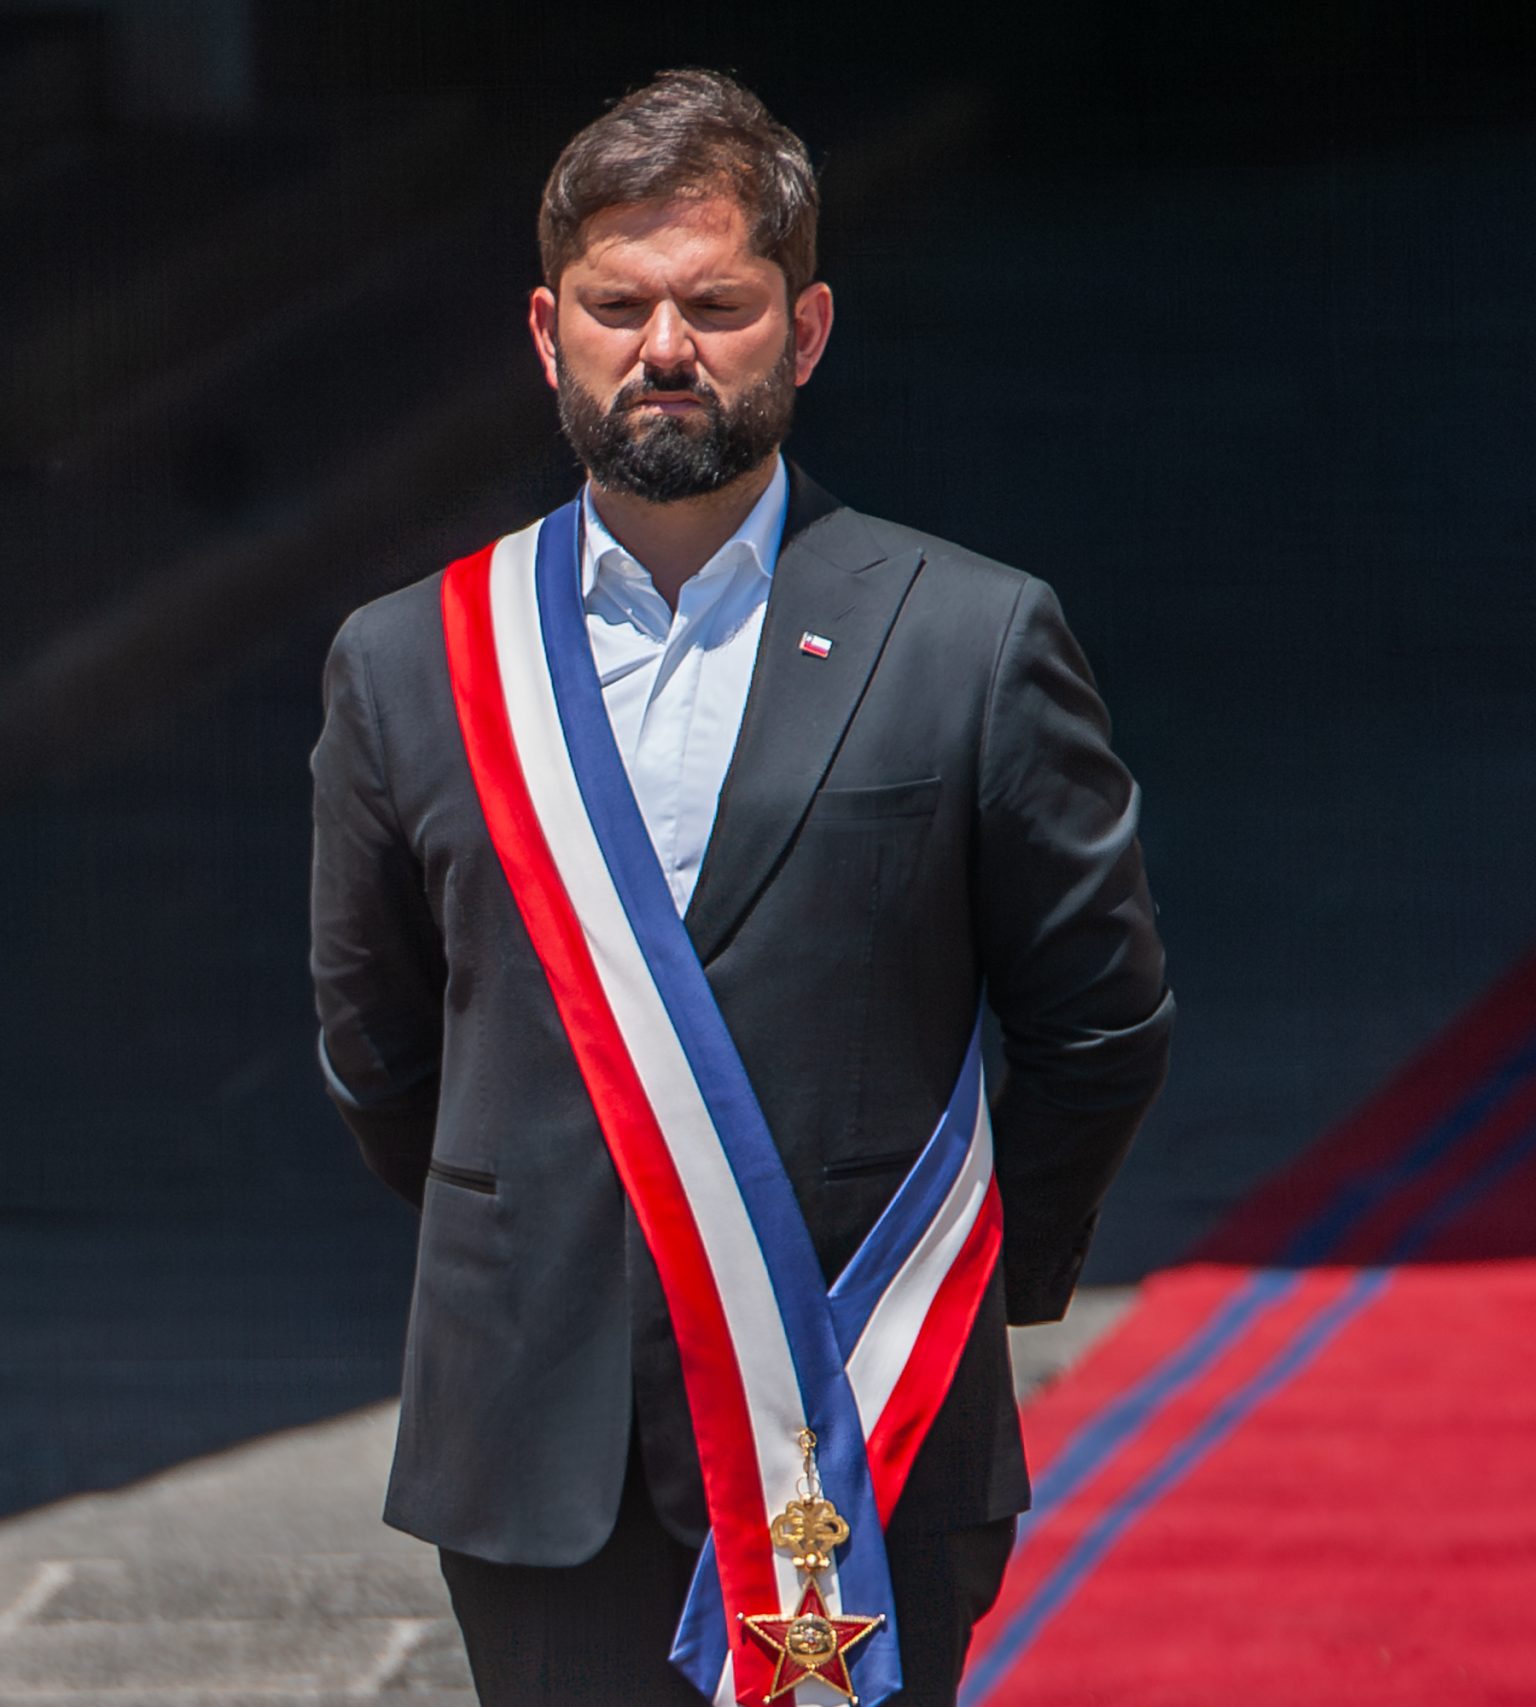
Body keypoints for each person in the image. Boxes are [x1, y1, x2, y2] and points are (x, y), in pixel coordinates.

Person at [307, 70, 1173, 1707]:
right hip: (533, 1443)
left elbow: (1099, 1026)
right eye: (620, 305)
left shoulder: (969, 639)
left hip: (865, 1414)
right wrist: (553, 1235)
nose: (667, 347)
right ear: (545, 330)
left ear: (810, 327)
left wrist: (983, 1284)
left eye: (718, 302)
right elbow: (377, 1048)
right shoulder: (412, 661)